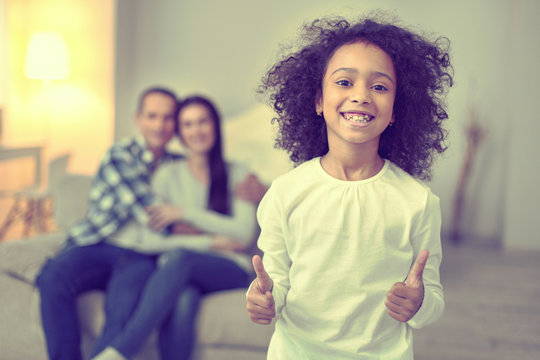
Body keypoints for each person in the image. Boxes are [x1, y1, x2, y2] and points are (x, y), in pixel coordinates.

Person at [246, 15, 453, 359]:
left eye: (380, 86)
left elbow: (431, 297)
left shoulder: (417, 202)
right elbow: (277, 282)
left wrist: (418, 304)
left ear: (395, 112)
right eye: (344, 81)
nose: (360, 96)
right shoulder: (285, 193)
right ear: (317, 100)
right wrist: (261, 298)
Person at [91, 95, 258, 360]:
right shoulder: (168, 175)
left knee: (181, 258)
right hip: (183, 272)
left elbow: (242, 234)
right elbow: (149, 240)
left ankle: (120, 351)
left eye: (202, 122)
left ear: (215, 125)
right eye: (188, 124)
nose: (196, 131)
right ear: (179, 132)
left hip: (231, 267)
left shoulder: (239, 173)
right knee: (183, 298)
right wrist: (211, 241)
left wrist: (184, 213)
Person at [36, 86, 187, 360]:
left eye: (168, 118)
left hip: (142, 256)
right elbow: (153, 216)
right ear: (138, 119)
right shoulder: (121, 154)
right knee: (51, 277)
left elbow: (216, 188)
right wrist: (184, 218)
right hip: (100, 244)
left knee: (123, 310)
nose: (160, 125)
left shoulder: (182, 165)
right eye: (152, 116)